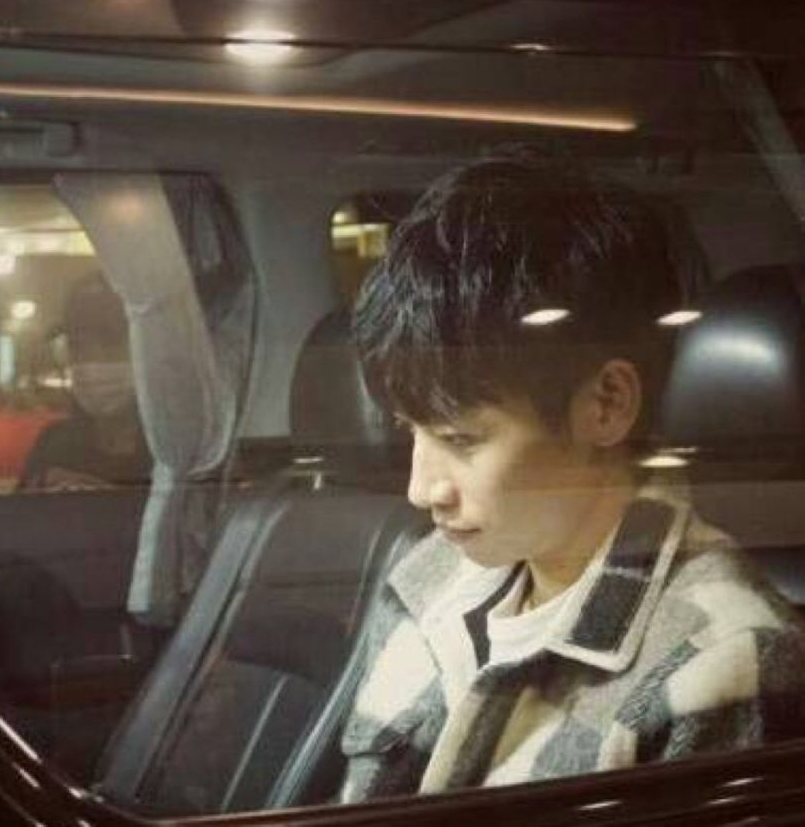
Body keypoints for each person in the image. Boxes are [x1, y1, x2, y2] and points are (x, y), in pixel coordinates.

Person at [339, 156, 805, 801]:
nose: (421, 490)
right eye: (408, 431)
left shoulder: (717, 659)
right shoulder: (428, 576)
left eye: (461, 440)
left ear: (606, 404)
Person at [17, 271, 152, 491]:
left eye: (109, 344)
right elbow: (16, 510)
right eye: (78, 347)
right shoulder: (54, 444)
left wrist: (106, 501)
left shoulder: (175, 453)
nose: (91, 363)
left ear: (146, 347)